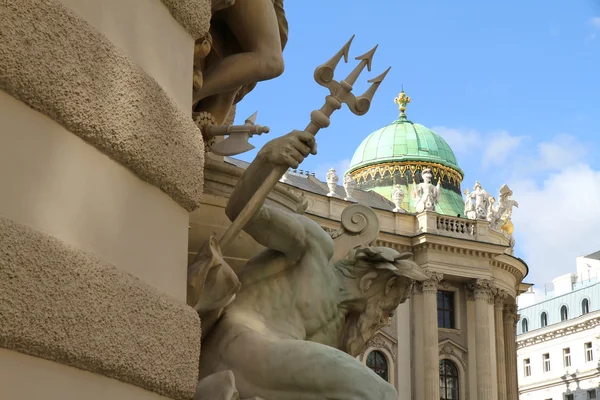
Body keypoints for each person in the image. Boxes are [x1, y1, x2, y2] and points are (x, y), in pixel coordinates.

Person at [197, 130, 428, 400]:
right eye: (389, 305)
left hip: (262, 361)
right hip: (240, 343)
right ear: (369, 282)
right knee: (379, 392)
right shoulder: (315, 248)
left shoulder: (333, 328)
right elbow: (243, 212)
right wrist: (266, 158)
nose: (385, 319)